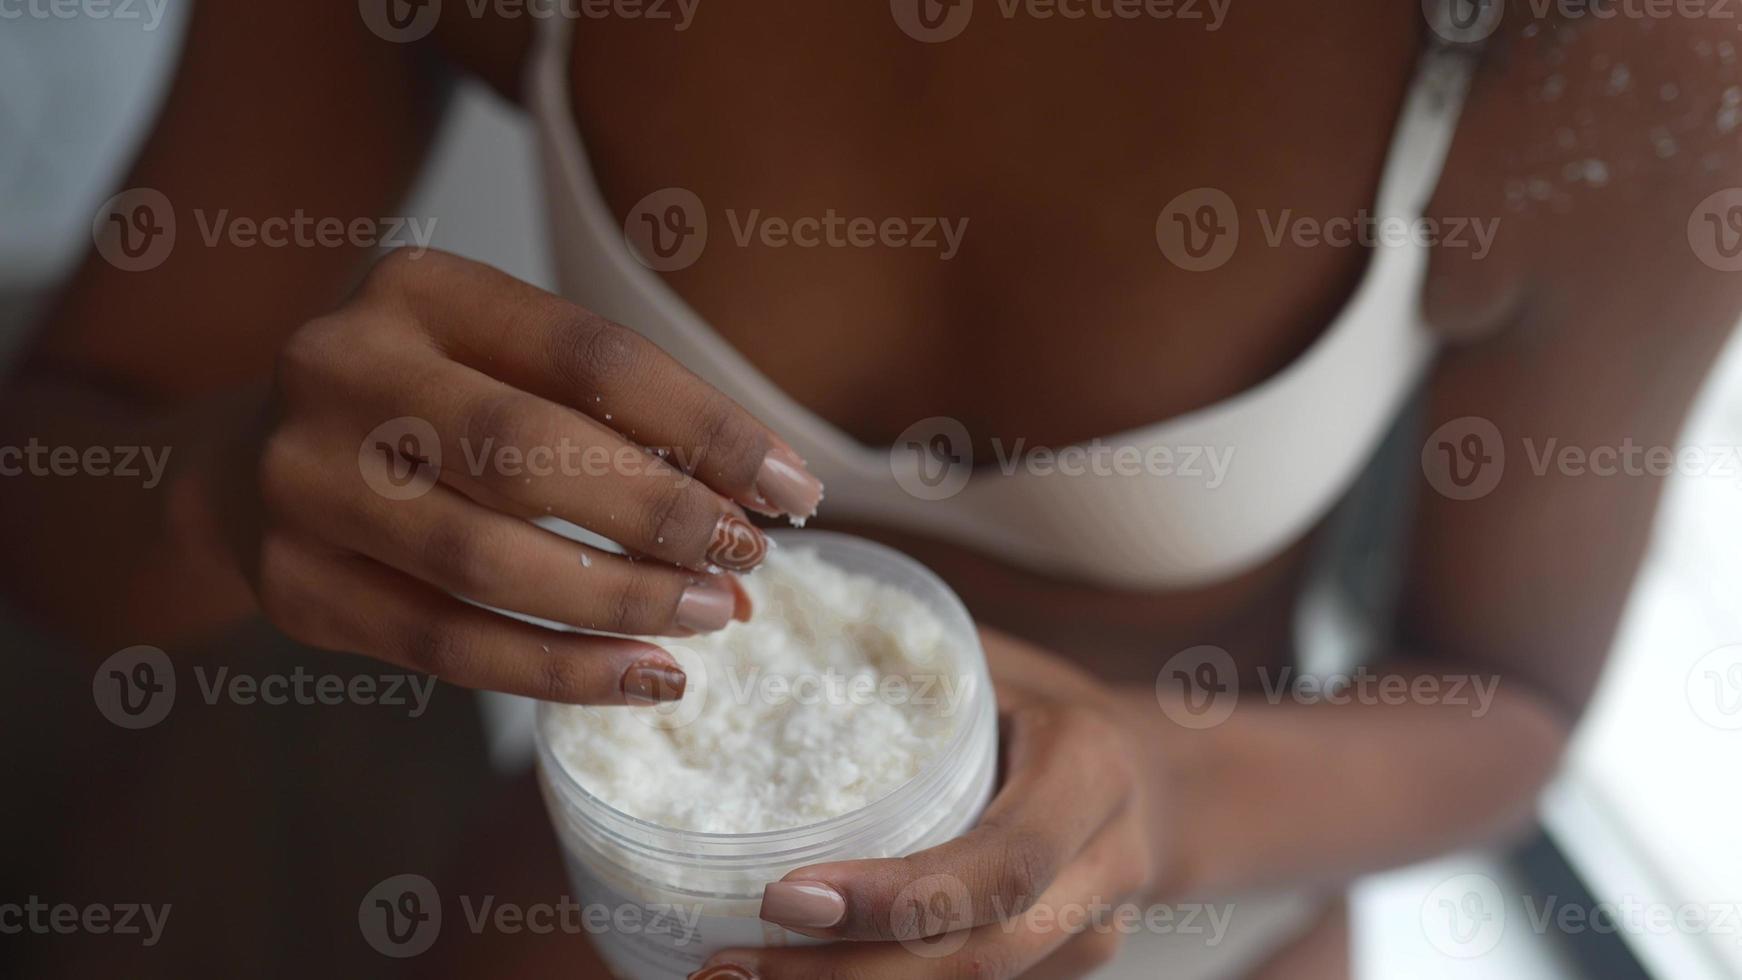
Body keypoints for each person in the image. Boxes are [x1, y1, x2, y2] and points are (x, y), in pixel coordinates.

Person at [6, 2, 1740, 977]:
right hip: (622, 921)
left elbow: (1505, 706)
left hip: (1187, 929)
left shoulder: (1615, 55)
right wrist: (217, 499)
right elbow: (56, 490)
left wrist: (1163, 784)